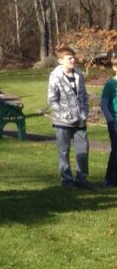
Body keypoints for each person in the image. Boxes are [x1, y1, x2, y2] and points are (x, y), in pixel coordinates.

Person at [47, 46, 94, 190]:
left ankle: (82, 179)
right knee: (64, 151)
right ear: (61, 61)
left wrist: (85, 112)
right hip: (63, 122)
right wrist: (65, 114)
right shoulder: (55, 76)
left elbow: (84, 96)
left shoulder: (79, 74)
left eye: (74, 57)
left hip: (80, 120)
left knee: (83, 149)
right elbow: (52, 100)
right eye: (69, 58)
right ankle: (67, 181)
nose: (73, 60)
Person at [101, 53, 117, 188]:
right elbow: (104, 104)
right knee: (116, 150)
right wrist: (111, 120)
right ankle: (109, 178)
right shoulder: (111, 84)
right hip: (115, 122)